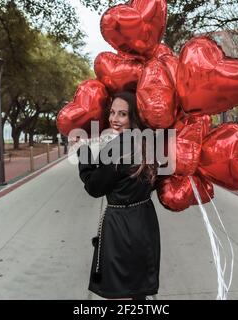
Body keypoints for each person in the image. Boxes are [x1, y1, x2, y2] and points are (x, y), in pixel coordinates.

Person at [76, 91, 161, 300]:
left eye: (122, 114)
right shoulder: (149, 142)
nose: (114, 119)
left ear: (133, 117)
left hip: (121, 226)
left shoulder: (118, 148)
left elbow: (94, 188)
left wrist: (84, 152)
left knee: (121, 289)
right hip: (145, 221)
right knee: (139, 290)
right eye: (112, 112)